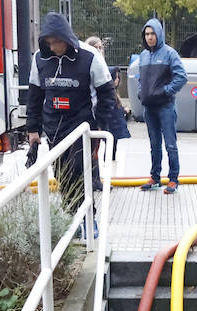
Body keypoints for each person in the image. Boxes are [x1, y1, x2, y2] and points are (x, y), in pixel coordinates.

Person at [26, 13, 118, 229]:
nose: (54, 47)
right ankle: (72, 218)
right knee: (62, 175)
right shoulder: (40, 58)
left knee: (80, 171)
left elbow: (106, 94)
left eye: (56, 42)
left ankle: (87, 220)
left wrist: (100, 126)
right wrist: (33, 129)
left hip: (83, 127)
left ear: (65, 38)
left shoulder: (90, 56)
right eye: (49, 43)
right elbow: (35, 95)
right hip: (53, 128)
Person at [136, 18, 187, 193]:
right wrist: (141, 92)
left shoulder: (170, 54)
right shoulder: (143, 56)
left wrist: (166, 91)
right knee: (154, 144)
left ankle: (173, 179)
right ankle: (155, 178)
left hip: (165, 107)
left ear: (159, 34)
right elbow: (140, 80)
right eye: (147, 34)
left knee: (170, 144)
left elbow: (181, 77)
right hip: (149, 108)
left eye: (152, 33)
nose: (149, 37)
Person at [82, 35, 131, 188]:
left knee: (104, 145)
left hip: (104, 111)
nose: (99, 50)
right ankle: (92, 179)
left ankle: (98, 178)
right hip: (91, 112)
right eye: (95, 47)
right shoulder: (87, 62)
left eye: (101, 47)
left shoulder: (102, 63)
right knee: (91, 148)